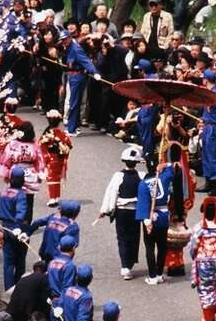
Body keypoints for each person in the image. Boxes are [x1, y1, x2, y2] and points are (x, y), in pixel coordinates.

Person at [99, 145, 143, 280]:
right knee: (134, 238)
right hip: (136, 211)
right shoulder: (141, 175)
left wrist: (105, 210)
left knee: (122, 238)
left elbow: (111, 193)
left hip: (122, 212)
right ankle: (129, 264)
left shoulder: (118, 176)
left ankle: (125, 266)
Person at [190, 197, 216, 321]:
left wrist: (195, 256)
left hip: (204, 261)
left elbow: (193, 245)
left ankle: (208, 316)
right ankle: (213, 308)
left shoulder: (199, 228)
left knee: (205, 288)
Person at [136, 162, 172, 286]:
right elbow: (173, 168)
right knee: (162, 246)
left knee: (150, 247)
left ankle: (152, 276)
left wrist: (146, 221)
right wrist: (164, 164)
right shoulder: (163, 179)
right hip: (163, 217)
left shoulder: (143, 184)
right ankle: (159, 274)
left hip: (150, 217)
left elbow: (142, 204)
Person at [0, 165, 29, 290]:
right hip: (16, 229)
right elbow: (21, 212)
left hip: (5, 228)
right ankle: (19, 289)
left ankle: (9, 289)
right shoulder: (20, 195)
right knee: (20, 262)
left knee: (8, 262)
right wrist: (18, 226)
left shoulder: (2, 192)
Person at [60, 28, 101, 136]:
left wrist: (94, 72)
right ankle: (75, 126)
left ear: (69, 38)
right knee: (75, 102)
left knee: (73, 102)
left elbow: (86, 61)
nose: (63, 41)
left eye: (65, 39)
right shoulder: (68, 48)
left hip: (77, 76)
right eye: (62, 40)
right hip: (72, 76)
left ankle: (72, 129)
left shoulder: (75, 49)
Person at [39, 111, 73, 206]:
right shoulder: (63, 135)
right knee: (57, 177)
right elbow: (69, 146)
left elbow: (41, 146)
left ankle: (53, 198)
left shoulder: (47, 135)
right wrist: (64, 156)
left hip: (51, 158)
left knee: (51, 178)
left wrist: (46, 157)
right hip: (61, 158)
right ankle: (56, 196)